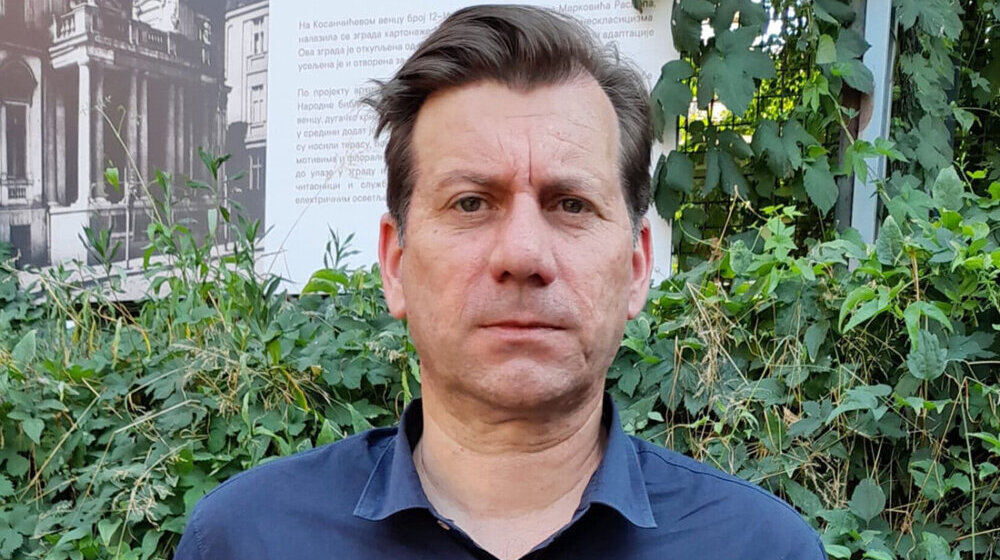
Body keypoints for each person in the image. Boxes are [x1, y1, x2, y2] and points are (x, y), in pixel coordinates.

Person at [173, 5, 826, 559]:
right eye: (470, 203)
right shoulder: (245, 540)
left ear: (636, 268)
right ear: (395, 264)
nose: (522, 254)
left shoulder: (760, 549)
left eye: (571, 204)